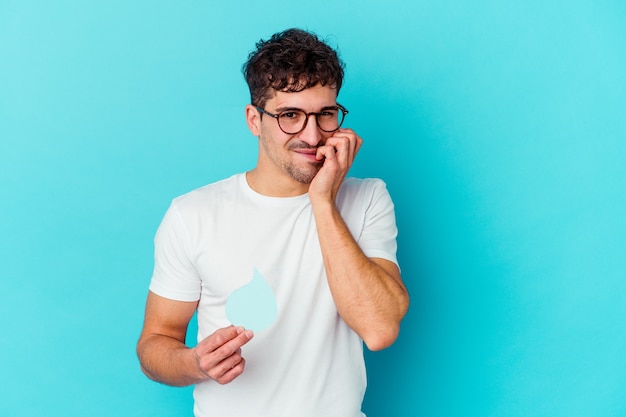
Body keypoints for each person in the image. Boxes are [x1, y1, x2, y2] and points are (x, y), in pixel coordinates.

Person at [136, 28, 409, 417]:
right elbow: (155, 343)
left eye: (325, 114)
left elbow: (379, 329)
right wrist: (194, 363)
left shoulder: (367, 199)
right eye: (290, 116)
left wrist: (322, 201)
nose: (312, 135)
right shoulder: (192, 214)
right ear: (254, 120)